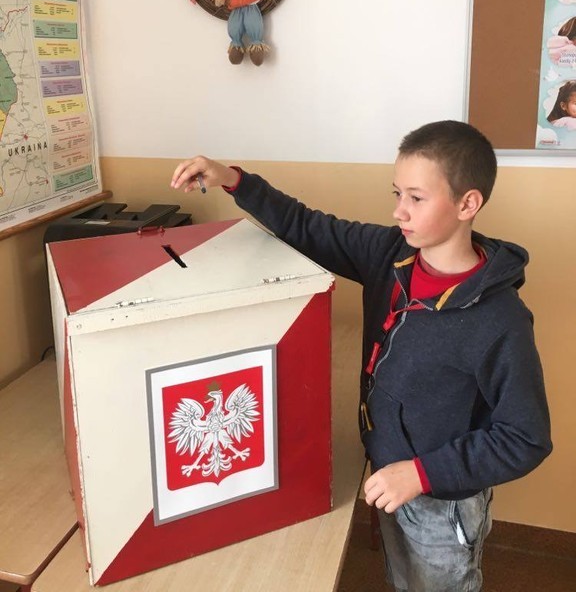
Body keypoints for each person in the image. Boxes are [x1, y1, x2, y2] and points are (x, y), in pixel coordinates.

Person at [170, 120, 552, 592]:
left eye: (416, 198)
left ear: (467, 204)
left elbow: (525, 438)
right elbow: (306, 226)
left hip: (441, 503)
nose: (399, 211)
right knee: (403, 580)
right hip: (389, 474)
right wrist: (233, 180)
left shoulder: (499, 320)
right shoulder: (389, 253)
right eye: (397, 193)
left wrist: (420, 474)